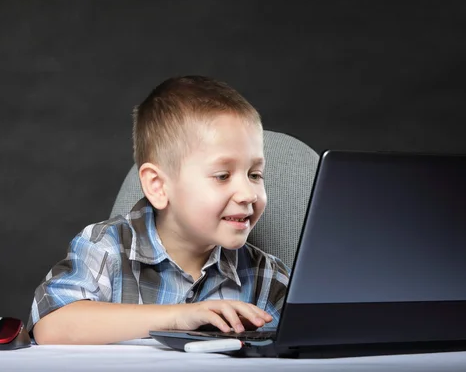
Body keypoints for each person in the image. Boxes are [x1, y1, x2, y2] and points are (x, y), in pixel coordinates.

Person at [27, 76, 290, 345]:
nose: (248, 194)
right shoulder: (105, 247)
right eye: (223, 175)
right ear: (158, 186)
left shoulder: (264, 276)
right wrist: (176, 317)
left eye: (255, 175)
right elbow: (51, 325)